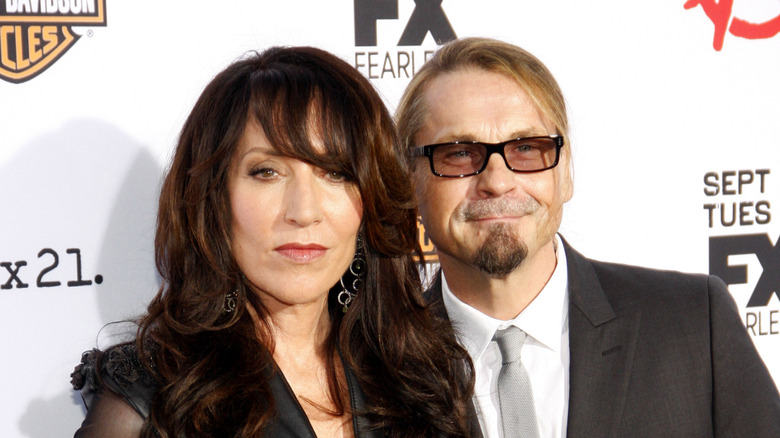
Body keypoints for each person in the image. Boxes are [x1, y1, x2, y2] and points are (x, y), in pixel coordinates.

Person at [70, 46, 478, 437]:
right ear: (213, 198)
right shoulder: (149, 395)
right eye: (267, 172)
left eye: (335, 173)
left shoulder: (425, 376)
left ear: (370, 198)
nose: (303, 211)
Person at [396, 37, 780, 438]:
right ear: (409, 182)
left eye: (527, 148)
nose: (497, 180)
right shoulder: (374, 367)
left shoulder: (695, 325)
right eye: (459, 153)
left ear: (565, 174)